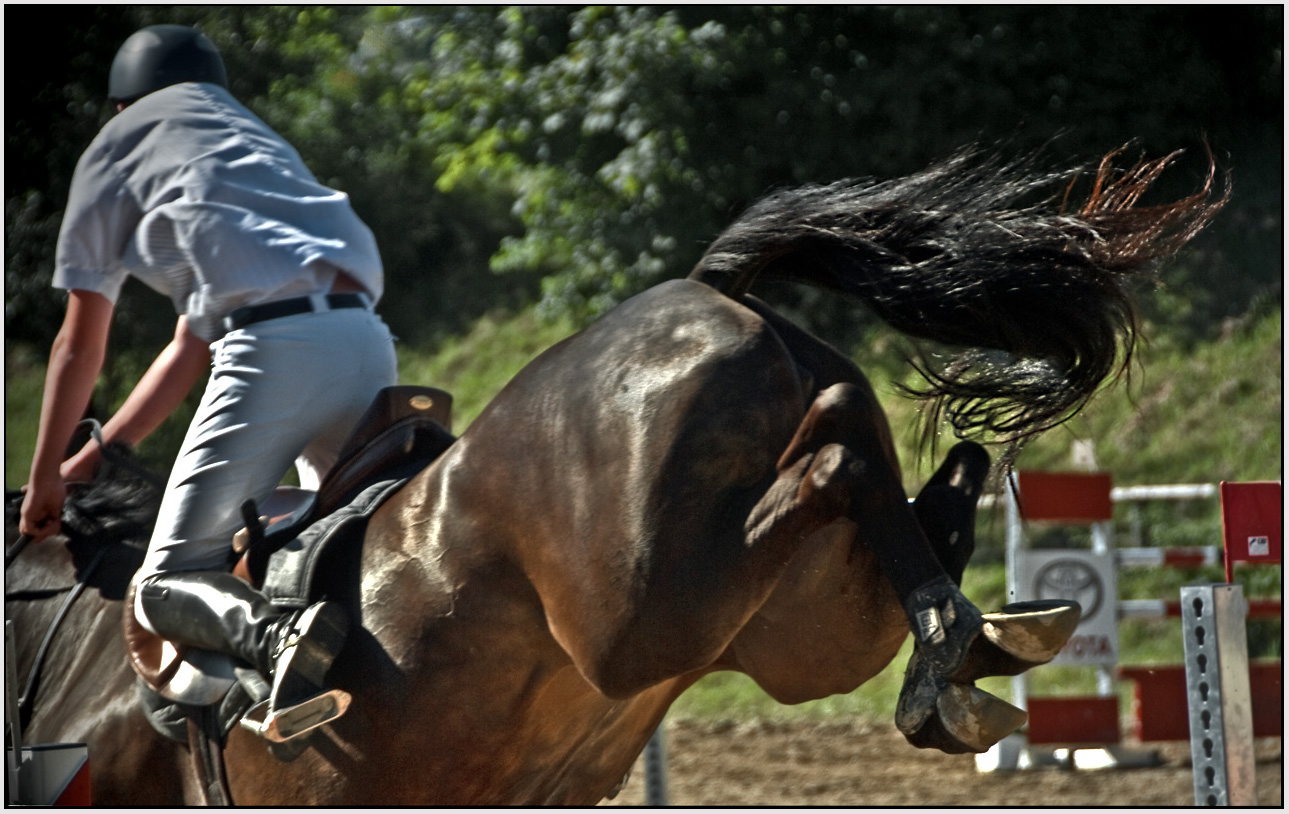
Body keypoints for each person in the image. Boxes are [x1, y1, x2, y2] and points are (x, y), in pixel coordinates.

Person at [19, 24, 397, 721]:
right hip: (365, 337)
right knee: (353, 548)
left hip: (273, 349)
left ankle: (280, 643)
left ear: (120, 104)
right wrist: (97, 455)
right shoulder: (250, 141)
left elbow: (79, 342)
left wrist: (45, 476)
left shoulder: (118, 144)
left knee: (164, 586)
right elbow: (187, 347)